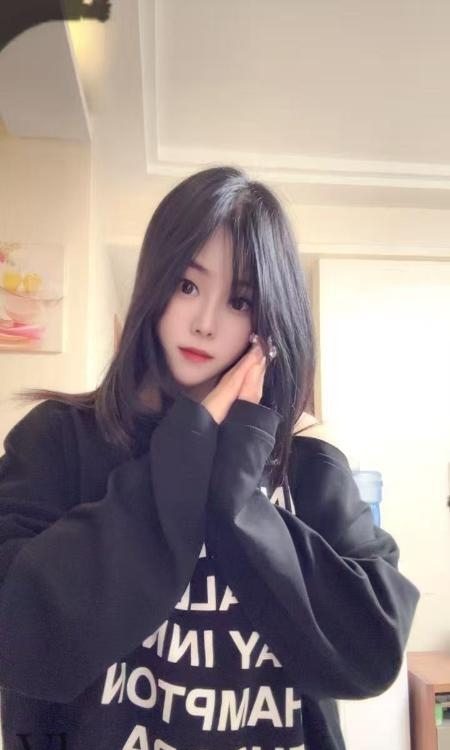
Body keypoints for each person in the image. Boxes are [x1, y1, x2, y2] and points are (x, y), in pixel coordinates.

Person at [0, 166, 419, 750]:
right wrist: (186, 449)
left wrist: (238, 485)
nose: (204, 323)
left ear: (268, 322)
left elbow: (371, 652)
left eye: (239, 300)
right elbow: (19, 634)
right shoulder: (60, 437)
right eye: (188, 285)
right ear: (154, 284)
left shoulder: (303, 459)